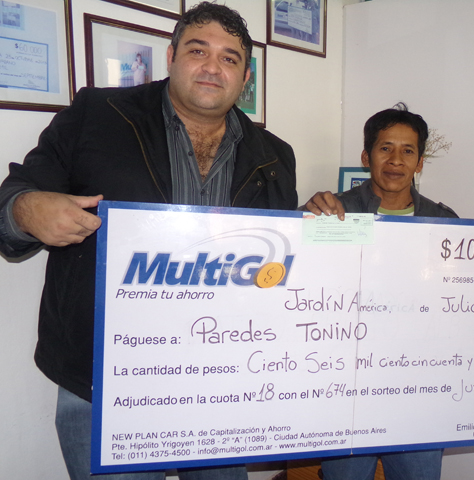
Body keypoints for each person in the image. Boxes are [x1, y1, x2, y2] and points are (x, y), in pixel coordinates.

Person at [0, 3, 296, 480]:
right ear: (171, 56)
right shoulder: (96, 115)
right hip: (103, 379)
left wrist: (321, 228)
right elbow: (15, 195)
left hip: (224, 378)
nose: (212, 67)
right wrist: (27, 209)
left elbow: (277, 266)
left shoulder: (276, 156)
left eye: (229, 58)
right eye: (198, 51)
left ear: (244, 78)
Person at [303, 103, 457, 480]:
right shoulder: (334, 213)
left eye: (408, 151)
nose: (396, 160)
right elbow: (298, 286)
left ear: (420, 163)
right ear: (366, 157)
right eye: (385, 148)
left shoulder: (444, 222)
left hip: (418, 393)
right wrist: (302, 219)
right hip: (347, 390)